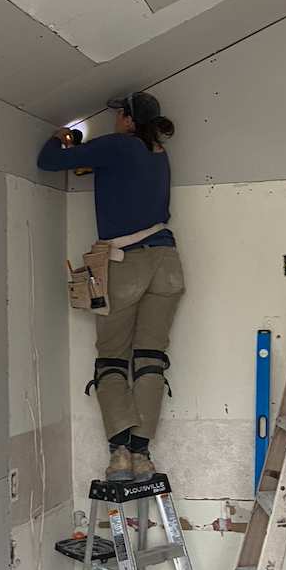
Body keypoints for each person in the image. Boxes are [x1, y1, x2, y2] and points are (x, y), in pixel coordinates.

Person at [37, 92, 183, 482]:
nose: (115, 120)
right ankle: (143, 456)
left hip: (127, 266)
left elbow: (49, 162)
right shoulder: (157, 153)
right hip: (167, 264)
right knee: (150, 357)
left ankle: (119, 455)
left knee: (112, 359)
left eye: (119, 114)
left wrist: (61, 138)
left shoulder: (118, 145)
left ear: (128, 120)